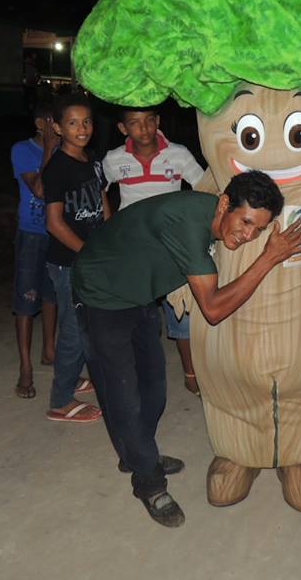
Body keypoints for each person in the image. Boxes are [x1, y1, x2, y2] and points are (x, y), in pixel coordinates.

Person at [72, 170, 301, 527]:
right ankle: (149, 481)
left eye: (258, 230)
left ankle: (136, 454)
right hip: (100, 295)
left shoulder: (213, 218)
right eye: (245, 222)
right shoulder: (187, 222)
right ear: (225, 204)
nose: (247, 236)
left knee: (154, 391)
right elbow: (213, 309)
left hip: (138, 295)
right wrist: (268, 258)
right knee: (122, 395)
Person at [102, 105, 205, 395]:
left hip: (172, 247)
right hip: (133, 248)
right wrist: (109, 225)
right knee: (135, 312)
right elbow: (97, 188)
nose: (143, 128)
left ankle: (190, 371)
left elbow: (204, 188)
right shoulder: (113, 159)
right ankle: (136, 370)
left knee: (181, 311)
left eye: (149, 121)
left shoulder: (179, 154)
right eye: (134, 123)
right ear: (124, 129)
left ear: (158, 121)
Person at [41, 92, 107, 423]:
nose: (81, 129)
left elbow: (101, 199)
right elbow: (53, 224)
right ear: (57, 127)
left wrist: (109, 238)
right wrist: (88, 253)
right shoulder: (57, 168)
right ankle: (60, 400)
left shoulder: (91, 159)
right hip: (69, 262)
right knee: (74, 329)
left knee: (85, 321)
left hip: (89, 256)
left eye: (87, 122)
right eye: (72, 123)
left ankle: (73, 376)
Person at [10, 96, 60, 399]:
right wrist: (49, 150)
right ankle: (25, 367)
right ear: (41, 124)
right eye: (55, 122)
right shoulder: (22, 150)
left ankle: (50, 350)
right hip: (31, 233)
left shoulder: (65, 151)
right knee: (26, 299)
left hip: (57, 233)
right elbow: (40, 189)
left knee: (52, 295)